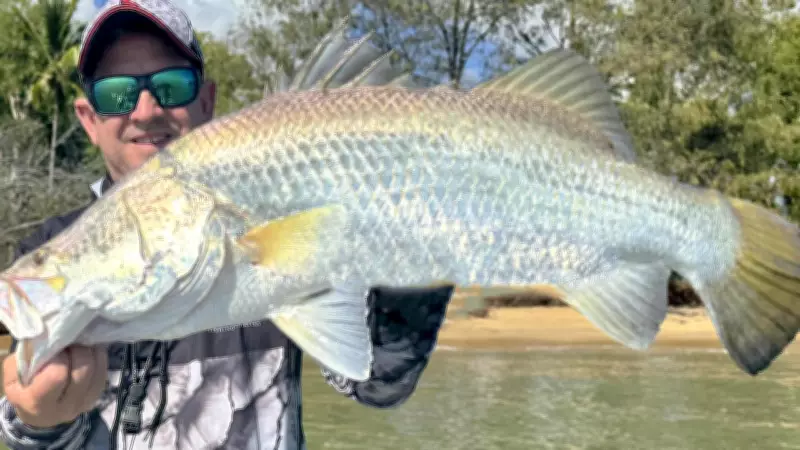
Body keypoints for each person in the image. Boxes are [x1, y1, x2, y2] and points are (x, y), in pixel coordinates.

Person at [0, 1, 452, 448]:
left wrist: (425, 253)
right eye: (116, 94)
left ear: (207, 102)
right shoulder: (50, 248)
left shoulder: (277, 209)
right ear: (88, 119)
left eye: (172, 85)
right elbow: (23, 431)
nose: (145, 110)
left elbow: (378, 383)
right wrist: (41, 420)